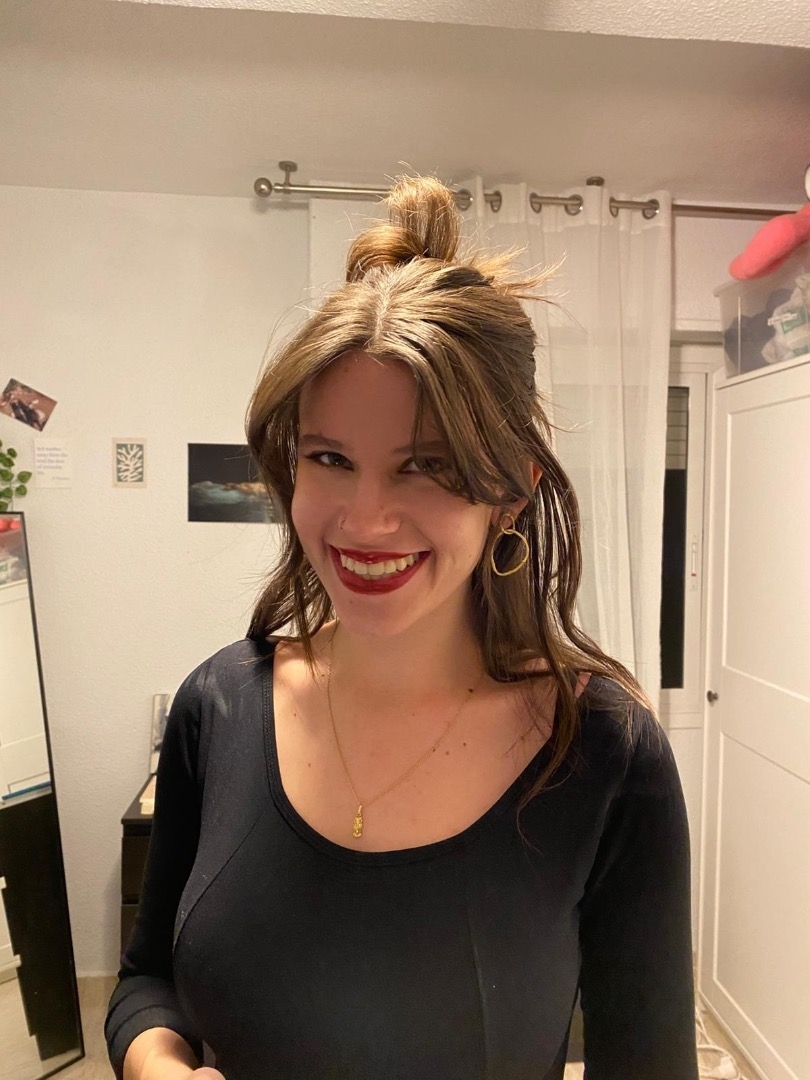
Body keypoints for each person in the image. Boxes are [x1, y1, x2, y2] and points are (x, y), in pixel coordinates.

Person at [105, 176, 699, 1080]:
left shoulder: (604, 756)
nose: (365, 520)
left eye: (425, 466)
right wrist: (156, 1064)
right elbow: (149, 979)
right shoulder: (217, 707)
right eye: (329, 459)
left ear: (513, 491)